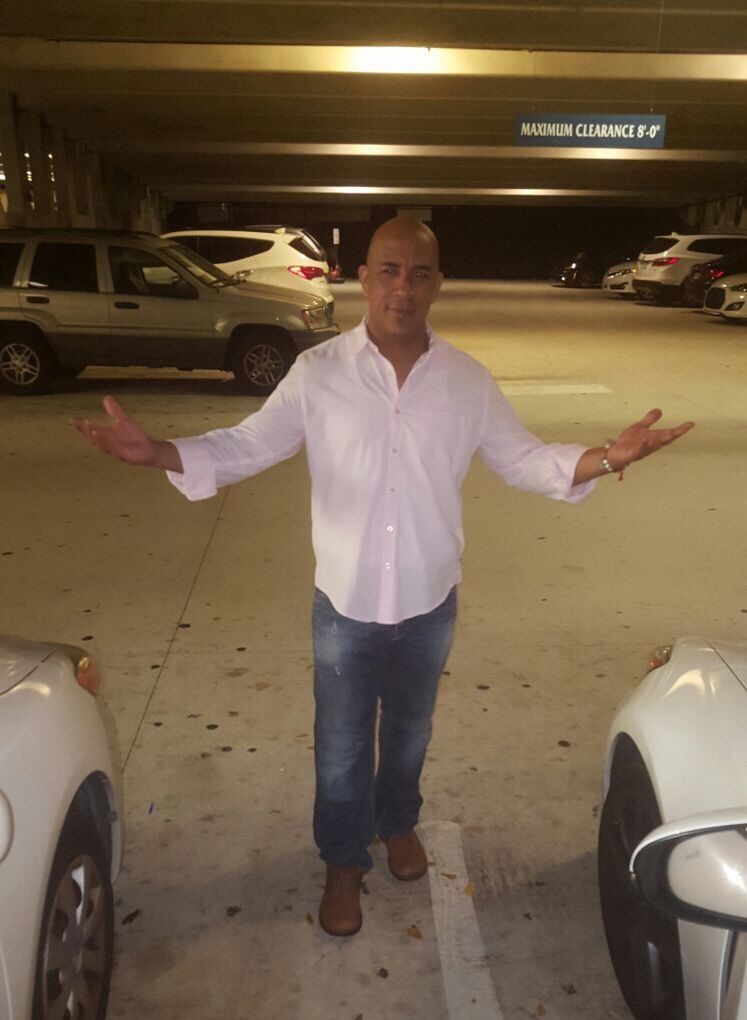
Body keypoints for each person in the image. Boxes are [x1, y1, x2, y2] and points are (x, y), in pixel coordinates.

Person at [70, 217, 694, 939]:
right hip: (346, 600)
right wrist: (158, 453)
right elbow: (247, 444)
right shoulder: (318, 373)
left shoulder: (465, 381)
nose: (403, 287)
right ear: (363, 279)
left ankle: (397, 822)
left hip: (429, 597)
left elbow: (524, 460)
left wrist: (607, 458)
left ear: (437, 284)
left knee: (407, 731)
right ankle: (343, 860)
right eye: (389, 271)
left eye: (419, 273)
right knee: (340, 745)